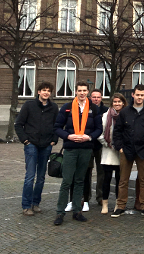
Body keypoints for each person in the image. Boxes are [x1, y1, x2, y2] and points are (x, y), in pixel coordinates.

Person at [53, 81, 103, 226]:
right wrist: (68, 136)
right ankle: (60, 212)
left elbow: (98, 128)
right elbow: (57, 127)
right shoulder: (67, 107)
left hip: (86, 148)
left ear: (88, 92)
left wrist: (89, 137)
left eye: (84, 90)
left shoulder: (93, 108)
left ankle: (77, 211)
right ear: (75, 92)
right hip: (70, 148)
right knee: (67, 181)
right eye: (79, 90)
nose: (82, 93)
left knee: (80, 180)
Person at [111, 84, 144, 218]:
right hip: (126, 149)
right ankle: (121, 205)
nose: (139, 97)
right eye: (137, 94)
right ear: (133, 95)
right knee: (123, 180)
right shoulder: (125, 112)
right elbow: (117, 131)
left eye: (142, 95)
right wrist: (119, 147)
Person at [16, 82, 58, 216]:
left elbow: (57, 125)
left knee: (41, 177)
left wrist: (54, 140)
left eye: (48, 91)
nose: (46, 92)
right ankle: (26, 205)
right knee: (30, 176)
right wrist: (25, 140)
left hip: (46, 145)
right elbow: (18, 124)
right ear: (38, 92)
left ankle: (36, 203)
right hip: (31, 144)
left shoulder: (54, 107)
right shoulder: (29, 105)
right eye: (43, 90)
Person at [97, 93, 127, 214]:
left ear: (123, 103)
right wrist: (107, 144)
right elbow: (100, 133)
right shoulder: (105, 116)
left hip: (122, 152)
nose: (117, 104)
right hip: (108, 151)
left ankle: (117, 203)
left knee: (120, 180)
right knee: (107, 179)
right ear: (112, 103)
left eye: (119, 102)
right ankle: (105, 204)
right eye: (115, 102)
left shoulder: (127, 115)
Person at [89, 89, 109, 209]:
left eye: (98, 97)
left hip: (101, 145)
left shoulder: (106, 110)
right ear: (90, 97)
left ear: (101, 98)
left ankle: (100, 197)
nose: (96, 99)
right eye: (94, 97)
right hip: (89, 144)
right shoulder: (87, 109)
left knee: (102, 172)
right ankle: (85, 197)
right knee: (87, 171)